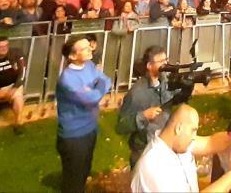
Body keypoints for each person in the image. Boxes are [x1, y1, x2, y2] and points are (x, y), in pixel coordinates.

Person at [130, 104, 231, 193]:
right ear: (179, 128)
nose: (194, 137)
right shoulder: (154, 166)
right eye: (193, 131)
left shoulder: (175, 143)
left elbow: (210, 142)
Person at [116, 45, 194, 168]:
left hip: (166, 144)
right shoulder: (137, 93)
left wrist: (188, 88)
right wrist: (143, 116)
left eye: (166, 60)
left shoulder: (166, 82)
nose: (166, 64)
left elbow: (176, 100)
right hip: (145, 151)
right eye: (161, 61)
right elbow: (121, 126)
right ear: (149, 66)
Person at [55, 36, 112, 193]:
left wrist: (96, 88)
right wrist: (97, 89)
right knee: (73, 178)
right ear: (72, 56)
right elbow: (92, 99)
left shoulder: (89, 65)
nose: (90, 49)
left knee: (85, 168)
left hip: (90, 128)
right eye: (85, 48)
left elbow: (107, 80)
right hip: (74, 135)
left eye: (90, 46)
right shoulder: (68, 79)